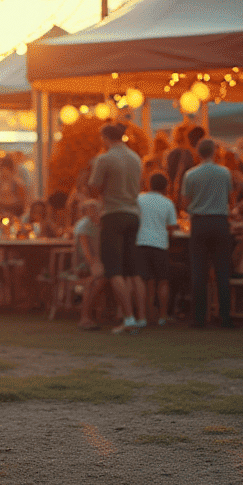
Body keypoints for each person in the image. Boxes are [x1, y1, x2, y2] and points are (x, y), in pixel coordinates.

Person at [88, 123, 144, 334]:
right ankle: (140, 317)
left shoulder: (104, 159)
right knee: (133, 270)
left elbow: (94, 187)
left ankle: (128, 318)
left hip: (113, 214)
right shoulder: (135, 158)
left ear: (105, 138)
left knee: (114, 270)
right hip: (133, 213)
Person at [182, 138, 234, 328]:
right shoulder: (225, 173)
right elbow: (230, 199)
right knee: (222, 270)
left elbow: (185, 203)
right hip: (220, 221)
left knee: (198, 271)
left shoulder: (190, 175)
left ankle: (199, 317)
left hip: (199, 222)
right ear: (214, 152)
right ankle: (225, 316)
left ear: (198, 153)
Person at [136, 173, 179, 326]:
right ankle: (162, 316)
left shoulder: (139, 199)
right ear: (166, 186)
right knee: (163, 281)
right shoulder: (168, 203)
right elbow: (172, 227)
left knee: (142, 281)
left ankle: (143, 316)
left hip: (141, 242)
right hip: (160, 244)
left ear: (149, 184)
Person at [73, 199, 108, 330]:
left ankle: (96, 314)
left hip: (98, 262)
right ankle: (85, 316)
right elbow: (86, 252)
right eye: (91, 209)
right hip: (84, 264)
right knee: (96, 280)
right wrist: (95, 265)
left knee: (104, 277)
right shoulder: (84, 225)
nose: (95, 211)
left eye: (96, 209)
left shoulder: (99, 224)